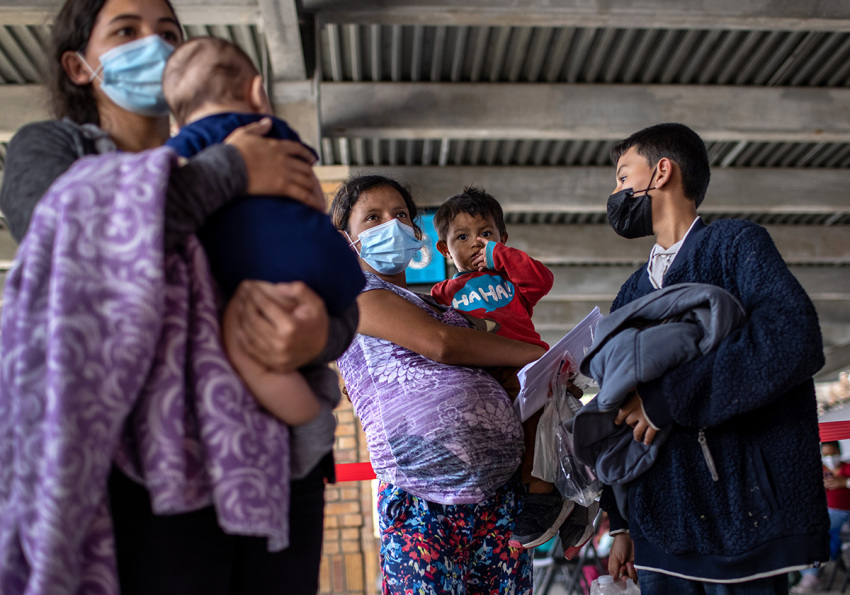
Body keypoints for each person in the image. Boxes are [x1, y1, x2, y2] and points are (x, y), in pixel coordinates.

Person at [0, 0, 345, 593]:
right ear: (80, 66)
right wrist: (232, 172)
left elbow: (314, 263)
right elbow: (72, 243)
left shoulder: (255, 149)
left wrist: (324, 333)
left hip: (275, 460)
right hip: (137, 463)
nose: (153, 45)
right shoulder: (52, 149)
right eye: (127, 31)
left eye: (168, 32)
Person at [601, 122, 828, 593]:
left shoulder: (736, 246)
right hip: (660, 532)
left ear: (661, 172)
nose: (616, 192)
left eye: (623, 177)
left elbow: (792, 336)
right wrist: (621, 521)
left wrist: (670, 399)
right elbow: (619, 406)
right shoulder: (630, 292)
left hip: (742, 524)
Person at [330, 174, 545, 594]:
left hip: (498, 501)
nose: (390, 224)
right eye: (372, 218)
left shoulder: (441, 303)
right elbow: (442, 345)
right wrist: (543, 355)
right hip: (421, 500)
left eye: (401, 215)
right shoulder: (353, 296)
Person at [161, 35, 364, 470]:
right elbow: (310, 196)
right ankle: (315, 409)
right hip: (325, 263)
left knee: (250, 351)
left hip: (241, 268)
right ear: (258, 93)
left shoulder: (181, 150)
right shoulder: (275, 134)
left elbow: (162, 202)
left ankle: (307, 423)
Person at [430, 186, 590, 554]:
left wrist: (498, 255)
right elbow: (421, 324)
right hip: (485, 378)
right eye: (463, 237)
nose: (475, 244)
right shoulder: (444, 292)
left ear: (502, 239)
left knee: (541, 432)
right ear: (444, 249)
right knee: (510, 443)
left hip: (526, 370)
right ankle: (569, 502)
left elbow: (542, 279)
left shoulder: (512, 283)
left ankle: (547, 501)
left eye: (485, 234)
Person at [794, 441, 850, 592]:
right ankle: (811, 573)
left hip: (843, 512)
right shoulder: (821, 471)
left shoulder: (847, 468)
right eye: (826, 455)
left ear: (839, 452)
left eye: (833, 453)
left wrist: (845, 482)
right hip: (825, 512)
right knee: (805, 532)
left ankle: (811, 576)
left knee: (813, 531)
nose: (830, 458)